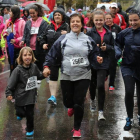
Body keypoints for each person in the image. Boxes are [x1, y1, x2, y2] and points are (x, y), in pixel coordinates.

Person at [43, 13, 103, 138]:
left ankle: (77, 128)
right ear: (70, 24)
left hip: (84, 74)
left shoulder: (87, 39)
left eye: (77, 21)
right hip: (66, 74)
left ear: (82, 24)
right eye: (73, 22)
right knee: (67, 102)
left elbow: (94, 53)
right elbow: (52, 53)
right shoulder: (63, 39)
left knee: (79, 101)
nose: (75, 24)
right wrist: (47, 66)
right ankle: (70, 106)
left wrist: (97, 58)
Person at [5, 47, 44, 137]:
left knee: (30, 114)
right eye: (25, 55)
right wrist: (9, 93)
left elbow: (39, 75)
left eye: (29, 55)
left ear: (32, 56)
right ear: (21, 57)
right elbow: (11, 84)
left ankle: (30, 129)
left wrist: (44, 74)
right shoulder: (17, 70)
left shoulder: (34, 67)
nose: (28, 57)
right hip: (20, 97)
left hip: (31, 96)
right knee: (21, 113)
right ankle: (19, 113)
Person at [86, 11, 114, 119]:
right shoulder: (89, 33)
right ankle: (92, 99)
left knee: (100, 85)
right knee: (92, 85)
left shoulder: (108, 33)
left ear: (104, 20)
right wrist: (95, 48)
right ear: (93, 20)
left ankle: (101, 111)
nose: (98, 22)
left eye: (100, 20)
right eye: (96, 20)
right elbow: (86, 46)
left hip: (104, 62)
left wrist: (106, 47)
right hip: (92, 62)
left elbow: (113, 47)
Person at [116, 9, 140, 131]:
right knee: (129, 92)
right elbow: (117, 45)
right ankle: (129, 118)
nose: (133, 22)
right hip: (127, 66)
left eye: (135, 20)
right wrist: (118, 53)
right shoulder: (124, 33)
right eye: (131, 20)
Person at [40, 8, 69, 105]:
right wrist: (43, 43)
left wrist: (68, 34)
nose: (57, 16)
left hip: (64, 55)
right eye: (55, 15)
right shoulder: (49, 26)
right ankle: (53, 97)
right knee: (53, 75)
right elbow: (42, 37)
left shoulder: (67, 27)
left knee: (66, 75)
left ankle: (67, 95)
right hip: (52, 55)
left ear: (62, 17)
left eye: (59, 15)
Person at [20, 4, 48, 74]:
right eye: (30, 13)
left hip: (39, 48)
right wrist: (23, 40)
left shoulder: (43, 22)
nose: (32, 15)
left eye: (33, 13)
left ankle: (39, 79)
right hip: (30, 48)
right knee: (31, 65)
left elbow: (45, 34)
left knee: (39, 65)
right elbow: (25, 34)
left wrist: (40, 38)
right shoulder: (28, 22)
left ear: (37, 12)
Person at [3, 6, 25, 73]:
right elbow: (5, 31)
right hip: (10, 47)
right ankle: (12, 79)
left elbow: (24, 35)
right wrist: (5, 34)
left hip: (18, 47)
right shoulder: (8, 22)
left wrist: (16, 40)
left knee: (18, 65)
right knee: (11, 64)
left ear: (14, 13)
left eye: (10, 11)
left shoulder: (22, 22)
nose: (9, 13)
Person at [105, 13, 121, 91]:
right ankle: (105, 75)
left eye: (109, 18)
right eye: (106, 18)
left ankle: (111, 84)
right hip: (105, 49)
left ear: (112, 18)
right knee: (105, 66)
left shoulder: (117, 27)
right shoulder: (103, 27)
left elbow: (120, 39)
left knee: (113, 67)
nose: (108, 20)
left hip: (114, 50)